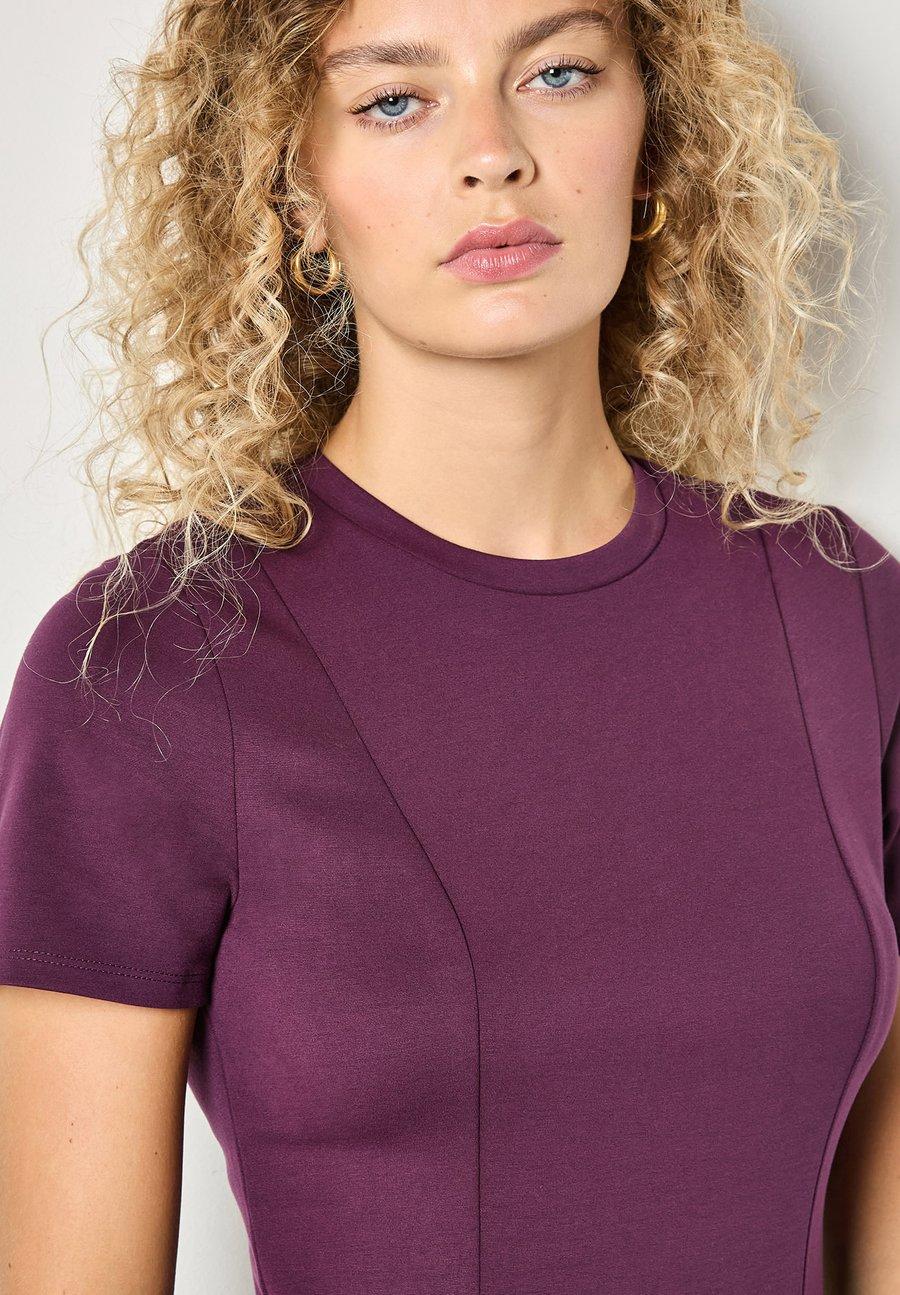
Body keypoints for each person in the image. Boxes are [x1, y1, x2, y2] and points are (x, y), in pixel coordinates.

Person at [0, 0, 897, 1291]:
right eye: (395, 100)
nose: (494, 154)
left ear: (658, 129)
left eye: (560, 73)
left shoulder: (842, 610)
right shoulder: (150, 667)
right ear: (294, 187)